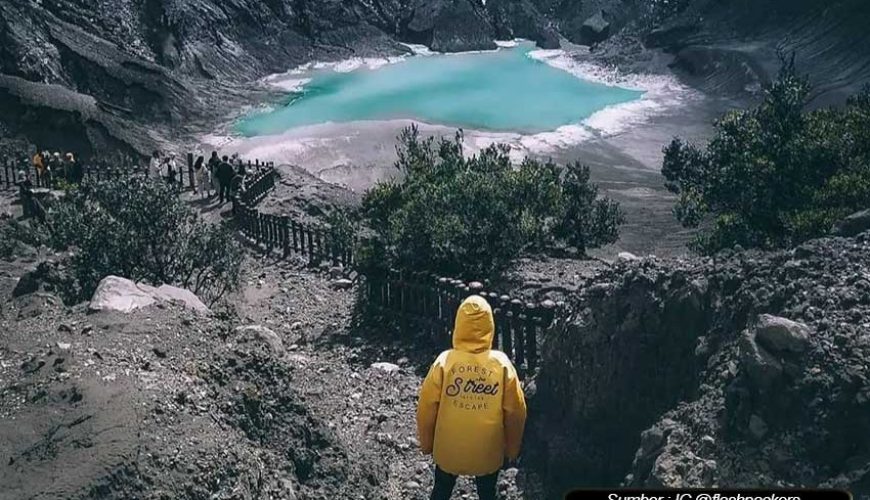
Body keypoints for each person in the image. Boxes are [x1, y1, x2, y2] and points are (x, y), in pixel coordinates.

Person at [416, 295, 527, 500]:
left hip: (448, 449)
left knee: (441, 489)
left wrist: (426, 443)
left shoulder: (444, 362)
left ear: (459, 324)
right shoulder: (501, 365)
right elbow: (516, 411)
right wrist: (512, 449)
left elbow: (426, 407)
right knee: (487, 492)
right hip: (487, 452)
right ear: (490, 326)